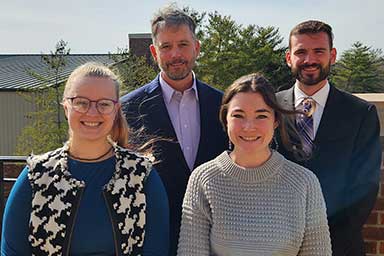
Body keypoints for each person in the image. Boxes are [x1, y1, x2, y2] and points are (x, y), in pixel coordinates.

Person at [1, 62, 169, 256]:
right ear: (66, 107)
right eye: (81, 102)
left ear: (116, 110)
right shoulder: (37, 175)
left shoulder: (141, 175)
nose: (92, 112)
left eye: (104, 104)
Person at [177, 73, 332, 255]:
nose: (249, 127)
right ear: (225, 119)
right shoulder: (203, 179)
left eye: (261, 116)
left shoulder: (304, 183)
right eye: (238, 115)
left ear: (275, 121)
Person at [120, 5, 227, 255]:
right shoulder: (127, 110)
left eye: (183, 44)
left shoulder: (224, 105)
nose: (175, 54)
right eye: (166, 46)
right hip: (154, 240)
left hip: (216, 239)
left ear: (197, 47)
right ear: (154, 52)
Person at [277, 20, 381, 256]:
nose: (309, 60)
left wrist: (322, 239)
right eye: (301, 52)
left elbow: (365, 186)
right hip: (276, 243)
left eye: (319, 51)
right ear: (289, 58)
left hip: (339, 245)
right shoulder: (270, 107)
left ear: (332, 55)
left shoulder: (360, 113)